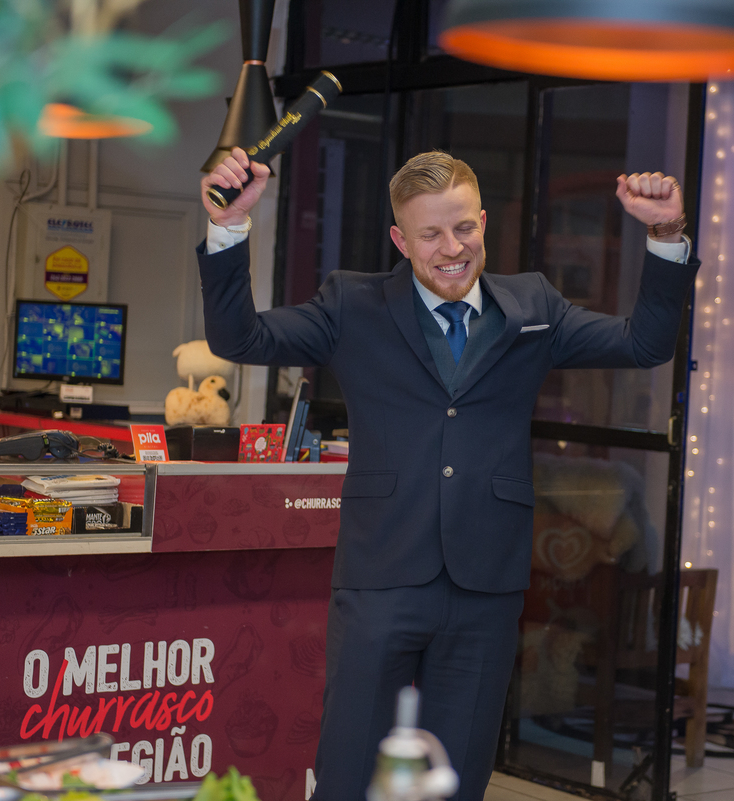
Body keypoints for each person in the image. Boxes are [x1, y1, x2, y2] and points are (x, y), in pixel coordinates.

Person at [198, 148, 699, 801]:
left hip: (486, 585)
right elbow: (241, 340)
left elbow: (644, 344)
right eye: (430, 233)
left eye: (464, 227)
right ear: (400, 240)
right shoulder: (352, 303)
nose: (452, 248)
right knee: (349, 774)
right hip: (381, 577)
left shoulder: (534, 305)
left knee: (456, 782)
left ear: (483, 221)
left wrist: (665, 234)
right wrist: (229, 227)